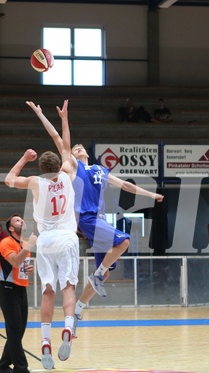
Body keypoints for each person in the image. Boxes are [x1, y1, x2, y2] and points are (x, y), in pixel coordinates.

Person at [26, 100, 163, 335]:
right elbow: (58, 138)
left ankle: (78, 310)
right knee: (124, 241)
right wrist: (43, 115)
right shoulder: (72, 168)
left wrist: (151, 194)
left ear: (88, 152)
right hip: (86, 219)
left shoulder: (100, 170)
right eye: (75, 148)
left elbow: (126, 187)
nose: (77, 148)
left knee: (106, 270)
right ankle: (97, 276)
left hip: (100, 220)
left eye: (80, 147)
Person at [6, 127, 79, 370]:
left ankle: (45, 341)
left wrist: (25, 159)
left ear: (41, 168)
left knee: (48, 291)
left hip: (45, 240)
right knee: (68, 286)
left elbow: (9, 179)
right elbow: (66, 146)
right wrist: (64, 120)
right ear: (59, 166)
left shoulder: (35, 182)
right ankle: (68, 327)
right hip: (67, 237)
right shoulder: (68, 175)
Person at [0, 214, 39, 373]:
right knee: (14, 331)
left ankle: (3, 365)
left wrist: (28, 269)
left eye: (21, 219)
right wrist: (29, 248)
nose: (21, 221)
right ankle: (21, 370)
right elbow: (14, 261)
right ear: (11, 228)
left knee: (18, 332)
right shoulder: (6, 243)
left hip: (21, 290)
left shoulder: (24, 244)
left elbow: (20, 265)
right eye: (17, 220)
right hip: (7, 290)